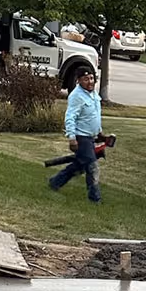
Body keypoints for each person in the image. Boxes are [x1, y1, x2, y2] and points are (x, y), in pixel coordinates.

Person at [48, 69, 103, 202]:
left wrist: (100, 132)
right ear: (78, 80)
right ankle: (95, 198)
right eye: (86, 79)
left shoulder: (93, 94)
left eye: (91, 78)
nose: (90, 82)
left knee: (80, 165)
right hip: (81, 137)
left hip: (90, 137)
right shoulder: (76, 96)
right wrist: (72, 138)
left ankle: (55, 182)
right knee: (92, 167)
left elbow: (94, 114)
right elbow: (70, 118)